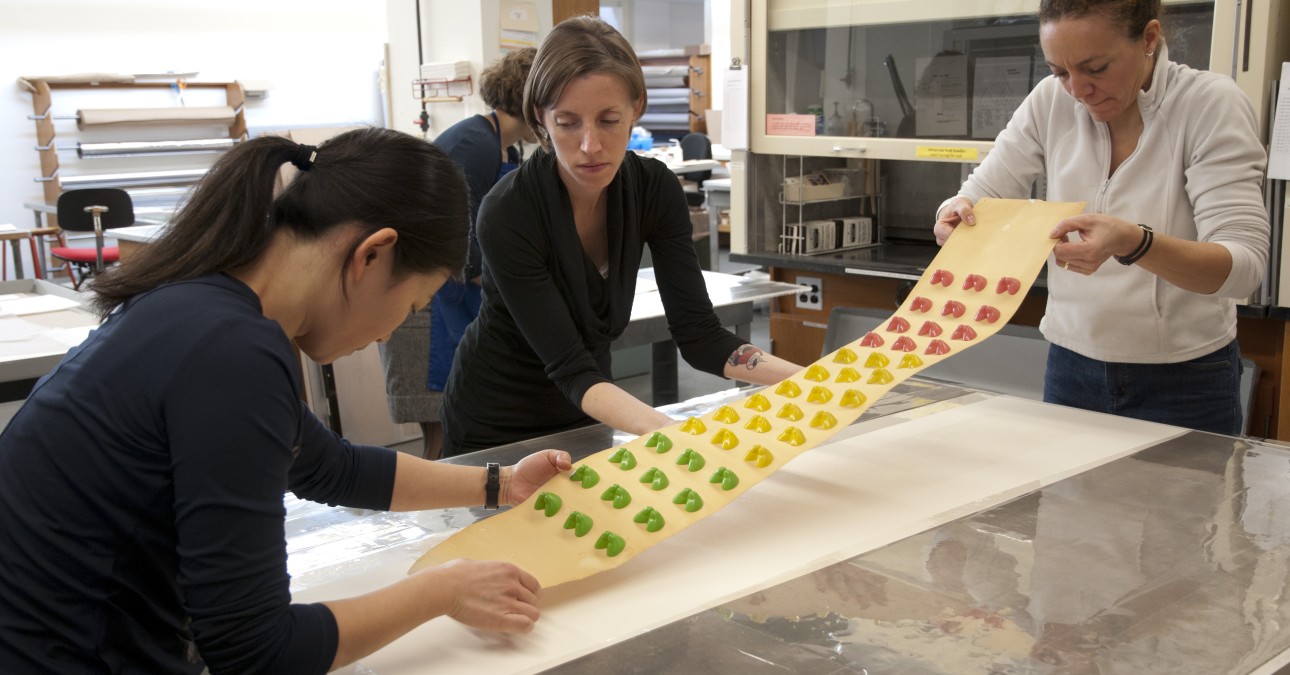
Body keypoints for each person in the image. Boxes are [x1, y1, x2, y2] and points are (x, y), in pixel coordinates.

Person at [0, 128, 572, 674]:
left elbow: (329, 466)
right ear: (372, 255)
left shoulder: (199, 307)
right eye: (413, 306)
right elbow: (256, 652)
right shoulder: (234, 354)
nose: (388, 332)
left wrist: (498, 484)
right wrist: (443, 588)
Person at [439, 15, 803, 456]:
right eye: (568, 122)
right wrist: (680, 438)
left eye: (609, 120)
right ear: (541, 117)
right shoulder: (509, 212)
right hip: (495, 425)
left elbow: (700, 336)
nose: (590, 145)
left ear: (637, 108)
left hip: (591, 412)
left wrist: (818, 380)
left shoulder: (653, 189)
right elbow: (571, 368)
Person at [932, 0, 1269, 435]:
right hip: (1071, 366)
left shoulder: (1208, 105)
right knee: (1065, 506)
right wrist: (954, 213)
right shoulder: (1050, 102)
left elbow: (1243, 268)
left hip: (1184, 377)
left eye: (1096, 68)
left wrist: (1134, 243)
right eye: (1060, 71)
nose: (1077, 89)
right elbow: (982, 194)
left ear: (1149, 39)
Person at [380, 48, 538, 459]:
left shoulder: (507, 149)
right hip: (428, 306)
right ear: (531, 102)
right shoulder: (475, 145)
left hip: (455, 300)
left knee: (465, 428)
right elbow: (458, 243)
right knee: (441, 437)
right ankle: (439, 521)